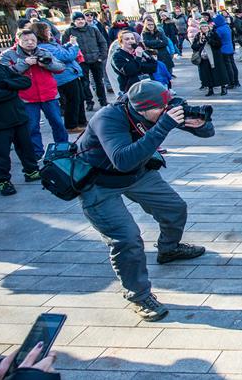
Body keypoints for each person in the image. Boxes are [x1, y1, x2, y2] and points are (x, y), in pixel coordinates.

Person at [77, 80, 213, 321]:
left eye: (168, 104)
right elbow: (122, 159)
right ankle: (138, 295)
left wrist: (200, 124)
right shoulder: (108, 118)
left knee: (174, 208)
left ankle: (169, 249)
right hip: (99, 181)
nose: (167, 109)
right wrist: (164, 125)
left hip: (136, 174)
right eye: (161, 109)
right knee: (126, 238)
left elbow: (207, 132)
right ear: (141, 109)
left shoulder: (162, 108)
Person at [0, 29, 68, 158]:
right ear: (17, 41)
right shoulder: (8, 55)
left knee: (58, 124)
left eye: (33, 40)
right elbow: (2, 74)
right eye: (26, 40)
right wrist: (24, 64)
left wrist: (47, 64)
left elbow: (61, 67)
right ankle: (37, 154)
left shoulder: (44, 52)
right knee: (32, 128)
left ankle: (63, 150)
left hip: (49, 95)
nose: (30, 43)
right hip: (26, 98)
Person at [0, 61, 41, 196]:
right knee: (0, 154)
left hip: (18, 117)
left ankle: (31, 171)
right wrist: (13, 91)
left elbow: (25, 82)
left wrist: (6, 84)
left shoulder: (1, 68)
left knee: (26, 147)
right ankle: (4, 181)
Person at [32, 22, 85, 133]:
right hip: (64, 77)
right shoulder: (43, 47)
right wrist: (75, 46)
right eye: (47, 30)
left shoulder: (50, 43)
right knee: (72, 101)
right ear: (41, 33)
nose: (50, 32)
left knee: (78, 98)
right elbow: (66, 56)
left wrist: (68, 44)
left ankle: (81, 121)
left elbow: (61, 50)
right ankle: (71, 125)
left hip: (70, 74)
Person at [63, 11, 109, 111]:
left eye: (82, 19)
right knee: (85, 83)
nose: (80, 21)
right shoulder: (69, 32)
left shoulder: (92, 29)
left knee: (99, 82)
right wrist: (74, 60)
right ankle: (89, 102)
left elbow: (103, 42)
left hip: (96, 59)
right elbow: (64, 47)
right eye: (78, 20)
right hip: (81, 61)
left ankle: (103, 100)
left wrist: (102, 56)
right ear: (74, 21)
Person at [110, 30, 158, 94]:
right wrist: (138, 58)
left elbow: (153, 67)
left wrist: (140, 63)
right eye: (127, 39)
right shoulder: (117, 56)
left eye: (132, 39)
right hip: (131, 90)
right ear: (121, 42)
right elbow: (130, 71)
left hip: (147, 85)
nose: (130, 41)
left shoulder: (139, 52)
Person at [191, 20, 229, 98]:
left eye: (205, 26)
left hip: (215, 57)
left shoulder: (213, 34)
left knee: (219, 73)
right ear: (200, 28)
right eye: (203, 27)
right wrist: (200, 43)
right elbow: (194, 46)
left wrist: (209, 40)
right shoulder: (198, 35)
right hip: (204, 58)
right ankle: (210, 89)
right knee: (207, 74)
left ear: (208, 27)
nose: (204, 28)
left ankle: (223, 88)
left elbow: (218, 44)